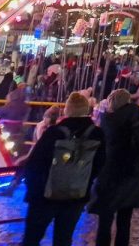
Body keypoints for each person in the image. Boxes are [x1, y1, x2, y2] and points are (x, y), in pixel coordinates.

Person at [22, 92, 105, 246]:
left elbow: (35, 163)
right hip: (76, 194)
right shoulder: (97, 134)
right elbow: (100, 164)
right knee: (64, 238)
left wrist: (33, 190)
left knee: (32, 238)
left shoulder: (54, 132)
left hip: (45, 195)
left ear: (68, 109)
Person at [90, 89, 139, 246]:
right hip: (133, 177)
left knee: (105, 222)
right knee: (125, 221)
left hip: (111, 179)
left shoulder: (109, 121)